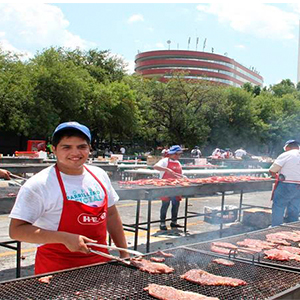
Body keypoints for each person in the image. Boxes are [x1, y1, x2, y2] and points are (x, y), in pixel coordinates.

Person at [9, 121, 129, 275]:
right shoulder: (39, 184)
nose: (75, 153)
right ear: (54, 150)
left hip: (99, 264)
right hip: (57, 268)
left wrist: (124, 254)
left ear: (89, 148)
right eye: (66, 147)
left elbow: (111, 215)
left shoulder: (99, 175)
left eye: (81, 147)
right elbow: (16, 231)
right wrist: (64, 238)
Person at [269, 140, 300, 227]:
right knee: (295, 208)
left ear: (288, 147)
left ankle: (276, 228)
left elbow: (272, 170)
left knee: (279, 206)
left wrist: (275, 174)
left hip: (287, 184)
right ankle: (292, 228)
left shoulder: (286, 154)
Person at [153, 145, 184, 230]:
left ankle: (174, 222)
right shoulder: (165, 161)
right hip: (165, 186)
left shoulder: (178, 163)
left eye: (179, 154)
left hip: (176, 187)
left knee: (176, 204)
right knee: (165, 204)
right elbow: (155, 166)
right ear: (172, 154)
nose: (178, 156)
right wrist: (167, 170)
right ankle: (162, 223)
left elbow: (180, 174)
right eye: (177, 154)